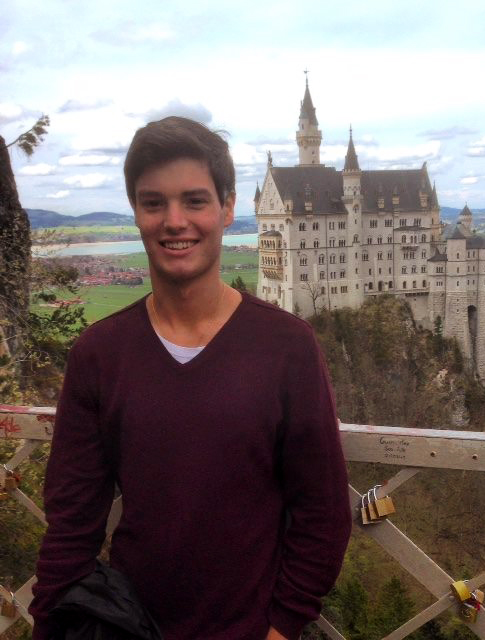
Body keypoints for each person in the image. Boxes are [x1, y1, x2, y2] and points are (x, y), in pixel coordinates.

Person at [29, 116, 352, 639]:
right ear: (136, 211)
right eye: (154, 203)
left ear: (227, 210)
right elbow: (71, 525)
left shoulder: (286, 346)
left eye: (195, 201)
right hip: (128, 627)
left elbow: (323, 513)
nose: (174, 221)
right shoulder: (99, 354)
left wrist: (282, 627)